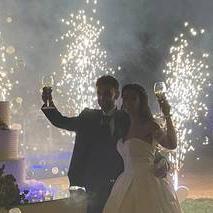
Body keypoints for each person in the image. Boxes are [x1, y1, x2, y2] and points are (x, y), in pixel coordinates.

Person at [41, 76, 170, 213]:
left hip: (121, 185)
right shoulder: (87, 117)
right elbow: (61, 121)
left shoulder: (127, 119)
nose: (102, 97)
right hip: (92, 187)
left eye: (107, 93)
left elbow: (141, 146)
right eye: (99, 93)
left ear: (117, 94)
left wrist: (163, 161)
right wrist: (48, 103)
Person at [103, 83, 182, 213]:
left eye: (133, 98)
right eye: (125, 98)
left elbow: (171, 144)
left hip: (147, 183)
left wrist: (167, 115)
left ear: (141, 101)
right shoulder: (123, 126)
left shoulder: (150, 126)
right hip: (124, 182)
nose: (128, 101)